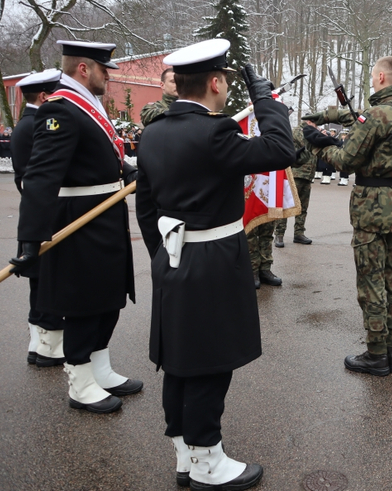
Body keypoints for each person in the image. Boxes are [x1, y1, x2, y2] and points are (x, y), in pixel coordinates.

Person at [135, 39, 294, 490]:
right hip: (212, 259)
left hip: (173, 256)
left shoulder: (155, 132)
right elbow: (281, 150)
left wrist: (163, 252)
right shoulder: (216, 131)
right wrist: (266, 100)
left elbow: (146, 207)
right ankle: (208, 461)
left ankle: (186, 453)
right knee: (209, 361)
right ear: (216, 82)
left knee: (181, 359)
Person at [10, 40, 142, 414]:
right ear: (84, 69)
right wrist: (30, 239)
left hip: (105, 213)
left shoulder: (89, 107)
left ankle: (100, 369)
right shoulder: (63, 111)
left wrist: (128, 170)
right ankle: (80, 382)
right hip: (78, 222)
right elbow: (40, 176)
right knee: (85, 304)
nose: (108, 78)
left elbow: (98, 156)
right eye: (104, 70)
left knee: (109, 297)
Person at [303, 56, 392, 376]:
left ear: (382, 77)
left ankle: (376, 354)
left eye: (373, 76)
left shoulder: (376, 114)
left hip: (372, 206)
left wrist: (319, 144)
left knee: (371, 282)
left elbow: (346, 160)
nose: (371, 80)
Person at [10, 68, 67, 367]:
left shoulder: (26, 123)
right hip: (46, 213)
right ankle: (47, 348)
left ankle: (39, 345)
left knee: (40, 283)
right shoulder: (39, 124)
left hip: (36, 212)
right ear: (45, 96)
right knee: (47, 283)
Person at [275, 119, 319, 247]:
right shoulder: (299, 131)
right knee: (286, 205)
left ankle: (299, 233)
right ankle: (279, 234)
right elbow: (308, 142)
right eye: (315, 123)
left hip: (307, 175)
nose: (317, 125)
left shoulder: (311, 131)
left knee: (302, 207)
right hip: (296, 173)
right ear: (309, 121)